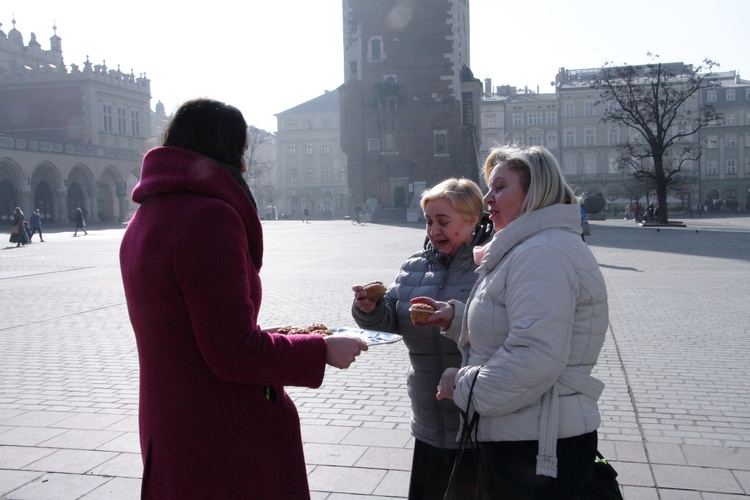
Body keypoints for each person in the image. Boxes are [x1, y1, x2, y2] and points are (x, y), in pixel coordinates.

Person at [119, 98, 368, 499]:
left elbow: (186, 328)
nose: (246, 166)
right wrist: (319, 350)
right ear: (227, 151)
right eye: (242, 151)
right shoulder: (207, 218)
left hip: (172, 420)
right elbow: (231, 352)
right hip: (221, 437)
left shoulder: (147, 216)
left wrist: (270, 335)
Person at [415, 145, 609, 499]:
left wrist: (460, 383)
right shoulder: (530, 246)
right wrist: (458, 320)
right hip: (529, 436)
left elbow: (534, 357)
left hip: (538, 448)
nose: (487, 198)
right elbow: (519, 325)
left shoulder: (542, 253)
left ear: (536, 192)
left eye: (500, 187)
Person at [351, 178, 493, 499]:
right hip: (428, 419)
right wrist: (371, 309)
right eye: (429, 221)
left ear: (472, 219)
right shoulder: (414, 265)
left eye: (443, 222)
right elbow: (391, 319)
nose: (433, 231)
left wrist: (457, 317)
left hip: (478, 421)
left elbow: (506, 329)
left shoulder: (493, 265)